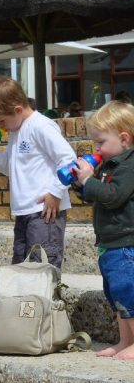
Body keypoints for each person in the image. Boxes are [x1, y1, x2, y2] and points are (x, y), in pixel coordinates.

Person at [0, 76, 76, 268]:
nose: (0, 127)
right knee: (21, 264)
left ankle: (44, 289)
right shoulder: (16, 131)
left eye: (1, 121)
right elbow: (12, 168)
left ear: (17, 110)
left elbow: (69, 160)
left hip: (44, 211)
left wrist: (56, 192)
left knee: (41, 265)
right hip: (24, 212)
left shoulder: (40, 126)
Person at [71, 100, 134, 360]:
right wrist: (80, 184)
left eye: (100, 142)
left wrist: (89, 180)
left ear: (124, 139)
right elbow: (98, 195)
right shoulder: (109, 165)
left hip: (125, 243)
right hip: (110, 243)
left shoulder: (129, 166)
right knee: (116, 296)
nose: (96, 148)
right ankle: (125, 341)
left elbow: (113, 196)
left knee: (129, 293)